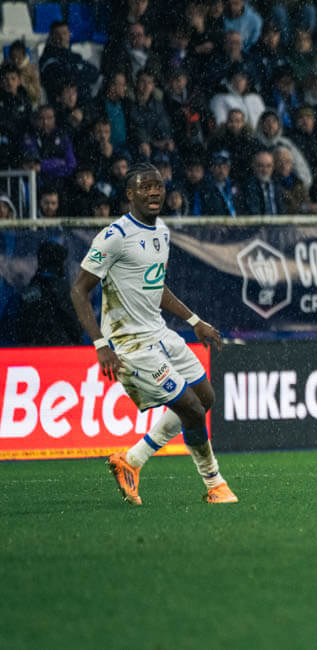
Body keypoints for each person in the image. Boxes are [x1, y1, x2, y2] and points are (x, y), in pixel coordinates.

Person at [69, 163, 237, 505]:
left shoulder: (161, 231)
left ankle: (131, 460)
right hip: (131, 344)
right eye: (145, 187)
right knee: (192, 409)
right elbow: (78, 290)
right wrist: (101, 345)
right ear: (130, 194)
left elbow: (155, 285)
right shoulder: (114, 236)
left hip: (161, 333)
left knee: (205, 398)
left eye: (158, 185)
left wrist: (195, 321)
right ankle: (215, 484)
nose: (154, 192)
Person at [16, 241, 84, 345]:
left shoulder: (33, 289)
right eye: (62, 262)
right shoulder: (61, 290)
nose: (64, 267)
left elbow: (21, 327)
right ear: (59, 264)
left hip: (34, 350)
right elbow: (76, 328)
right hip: (60, 350)